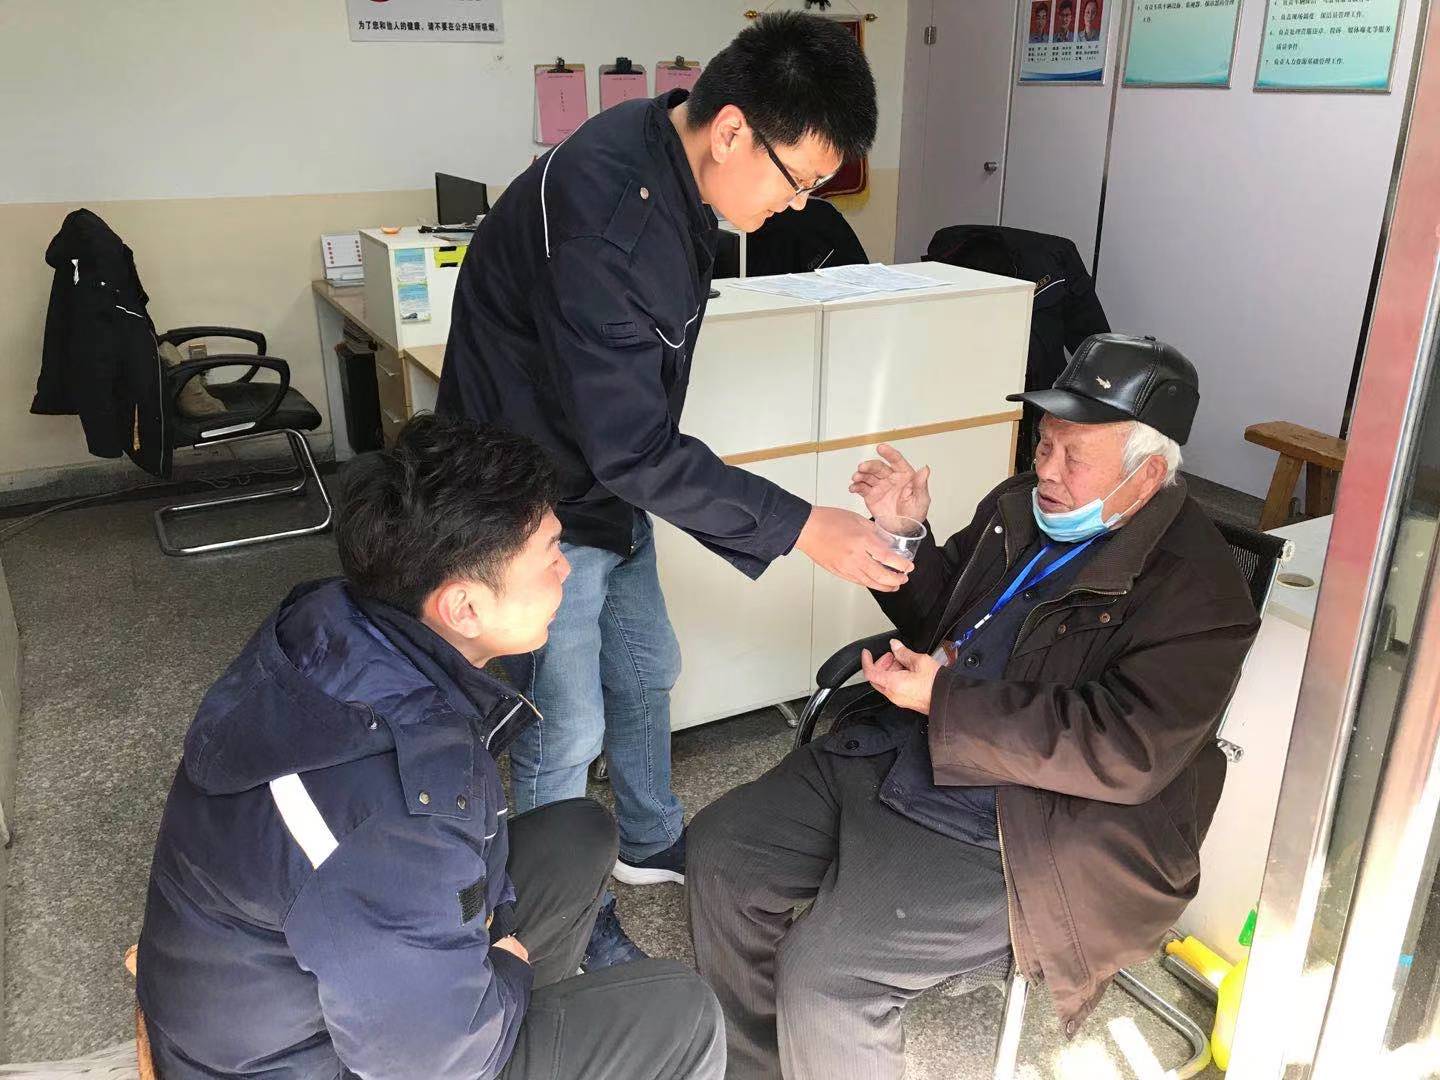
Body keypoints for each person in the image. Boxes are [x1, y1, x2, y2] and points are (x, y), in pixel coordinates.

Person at [437, 11, 896, 965]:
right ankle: (557, 912)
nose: (800, 207)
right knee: (564, 725)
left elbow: (629, 432)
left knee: (647, 667)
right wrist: (804, 526)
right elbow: (633, 446)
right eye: (798, 180)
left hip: (601, 479)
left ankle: (647, 840)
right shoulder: (610, 223)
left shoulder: (663, 146)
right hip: (532, 499)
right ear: (732, 131)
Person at [687, 334, 1260, 1080]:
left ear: (1147, 472)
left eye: (1074, 455)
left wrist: (947, 698)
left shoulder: (1200, 590)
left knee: (827, 979)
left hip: (1030, 822)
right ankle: (762, 1065)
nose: (1046, 469)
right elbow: (944, 618)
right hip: (909, 745)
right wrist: (904, 536)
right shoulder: (1020, 506)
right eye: (1044, 443)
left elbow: (1128, 751)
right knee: (721, 856)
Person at [136, 415, 725, 1080]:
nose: (566, 568)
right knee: (683, 1015)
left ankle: (516, 1023)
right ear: (464, 608)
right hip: (300, 1064)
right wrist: (504, 970)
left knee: (581, 833)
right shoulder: (390, 810)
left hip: (300, 986)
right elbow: (426, 1062)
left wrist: (494, 953)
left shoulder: (337, 624)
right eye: (551, 554)